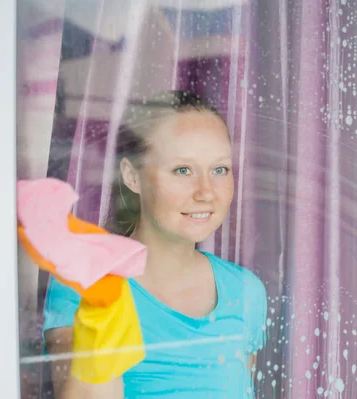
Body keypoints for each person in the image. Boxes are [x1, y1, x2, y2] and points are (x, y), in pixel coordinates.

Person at [42, 91, 268, 399]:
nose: (206, 192)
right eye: (183, 170)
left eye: (219, 170)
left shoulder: (245, 291)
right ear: (132, 176)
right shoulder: (86, 284)